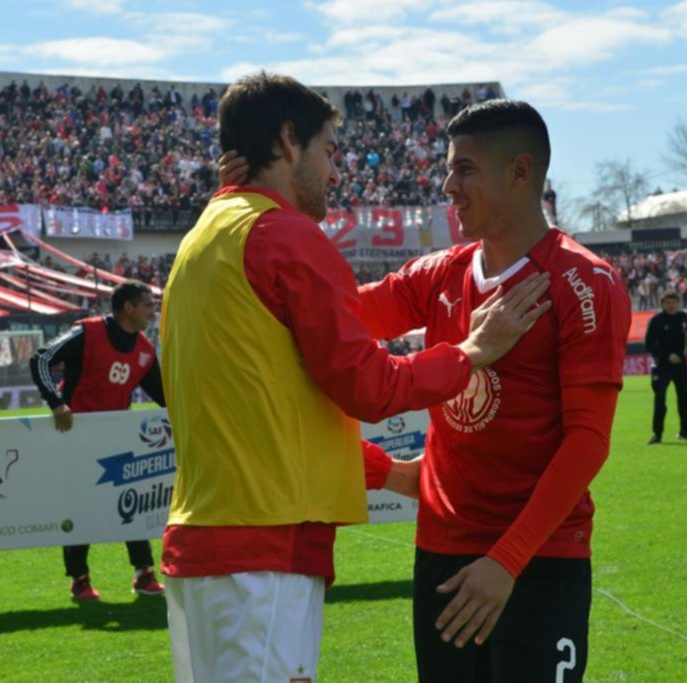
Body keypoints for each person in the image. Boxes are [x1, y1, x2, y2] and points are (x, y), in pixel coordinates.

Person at [160, 74, 552, 683]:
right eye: (328, 150)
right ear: (289, 142)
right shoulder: (285, 235)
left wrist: (392, 473)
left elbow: (276, 404)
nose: (337, 172)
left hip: (205, 548)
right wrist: (472, 351)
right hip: (262, 553)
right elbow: (370, 388)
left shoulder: (204, 236)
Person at [355, 100, 631, 681]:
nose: (449, 186)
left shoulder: (584, 283)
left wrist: (506, 561)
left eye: (466, 169)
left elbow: (587, 442)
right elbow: (337, 320)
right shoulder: (437, 275)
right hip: (443, 556)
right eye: (450, 170)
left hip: (536, 563)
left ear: (520, 172)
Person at [29, 280, 166, 600]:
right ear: (128, 307)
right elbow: (40, 359)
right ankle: (79, 579)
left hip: (118, 438)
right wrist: (56, 403)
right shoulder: (87, 333)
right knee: (82, 506)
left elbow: (163, 395)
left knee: (132, 498)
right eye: (148, 304)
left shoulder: (144, 349)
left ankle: (144, 572)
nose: (153, 311)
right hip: (74, 437)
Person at [644, 290, 687, 444]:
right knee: (660, 399)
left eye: (674, 302)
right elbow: (648, 344)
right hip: (661, 366)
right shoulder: (656, 320)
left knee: (685, 398)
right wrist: (667, 355)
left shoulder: (683, 317)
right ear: (662, 304)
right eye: (668, 303)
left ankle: (685, 430)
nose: (671, 305)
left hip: (680, 365)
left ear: (678, 303)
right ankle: (657, 434)